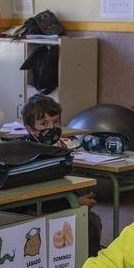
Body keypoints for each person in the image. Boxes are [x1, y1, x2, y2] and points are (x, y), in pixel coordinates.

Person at [21, 94, 103, 256]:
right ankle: (87, 266)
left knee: (90, 218)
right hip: (34, 209)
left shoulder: (56, 148)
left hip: (56, 203)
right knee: (90, 222)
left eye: (55, 122)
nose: (51, 128)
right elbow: (35, 197)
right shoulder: (29, 153)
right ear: (30, 129)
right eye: (44, 124)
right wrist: (72, 202)